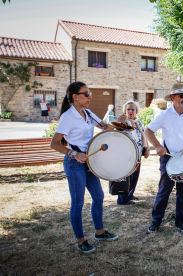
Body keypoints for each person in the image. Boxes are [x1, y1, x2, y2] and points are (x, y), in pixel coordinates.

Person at [50, 82, 118, 254]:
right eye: (86, 93)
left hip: (89, 161)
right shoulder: (68, 116)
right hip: (74, 163)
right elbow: (54, 143)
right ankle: (80, 240)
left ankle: (99, 232)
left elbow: (105, 126)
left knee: (98, 196)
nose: (90, 96)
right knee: (78, 203)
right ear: (75, 96)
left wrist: (119, 123)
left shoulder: (87, 113)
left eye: (90, 93)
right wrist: (73, 154)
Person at [144, 83, 183, 233]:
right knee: (164, 191)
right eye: (181, 95)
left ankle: (180, 221)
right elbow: (148, 131)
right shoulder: (164, 115)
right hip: (168, 158)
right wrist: (158, 146)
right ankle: (156, 221)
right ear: (172, 97)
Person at [116, 100, 150, 205]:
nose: (130, 111)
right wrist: (119, 122)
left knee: (134, 176)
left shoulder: (137, 122)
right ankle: (122, 199)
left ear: (136, 111)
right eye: (128, 109)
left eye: (133, 109)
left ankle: (130, 194)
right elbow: (116, 133)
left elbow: (144, 135)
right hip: (126, 155)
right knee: (125, 177)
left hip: (138, 154)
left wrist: (147, 148)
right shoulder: (123, 122)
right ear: (124, 111)